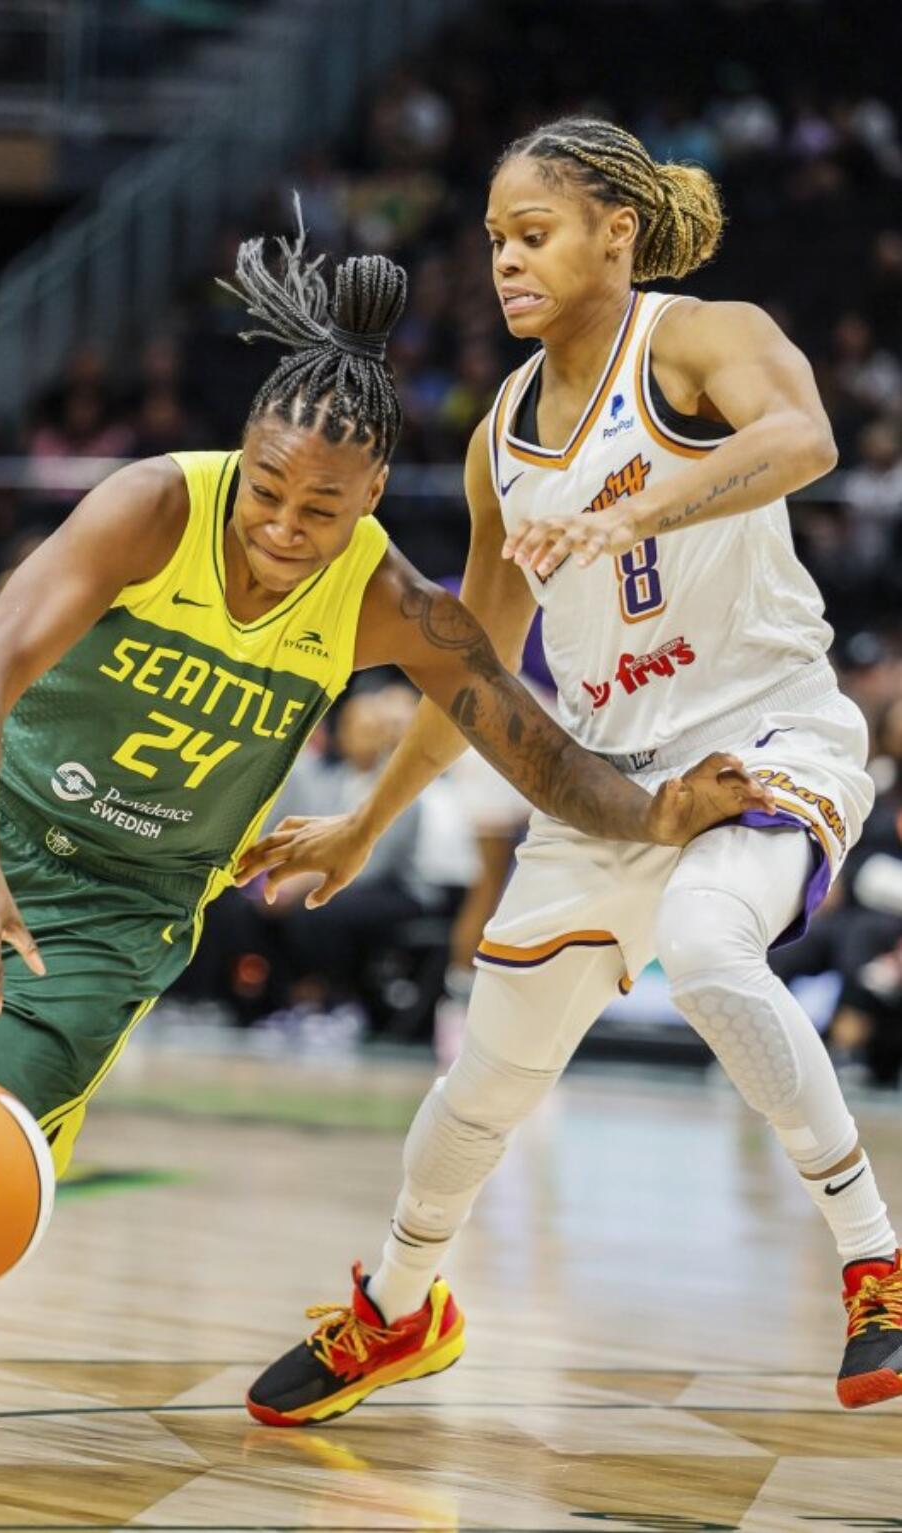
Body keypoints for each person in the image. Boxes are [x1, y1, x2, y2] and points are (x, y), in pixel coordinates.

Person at [0, 214, 760, 1278]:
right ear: (239, 455)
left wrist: (654, 813)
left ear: (373, 496)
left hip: (109, 910)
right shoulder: (151, 506)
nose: (284, 528)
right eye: (267, 490)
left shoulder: (389, 603)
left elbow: (541, 754)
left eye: (321, 510)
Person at [245, 119, 900, 1427]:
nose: (503, 260)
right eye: (492, 239)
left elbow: (804, 437)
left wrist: (633, 509)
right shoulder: (499, 440)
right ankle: (398, 1305)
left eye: (530, 232)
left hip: (763, 728)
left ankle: (874, 1263)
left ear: (616, 230)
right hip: (605, 783)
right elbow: (472, 672)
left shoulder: (699, 337)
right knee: (484, 1079)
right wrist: (367, 821)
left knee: (712, 949)